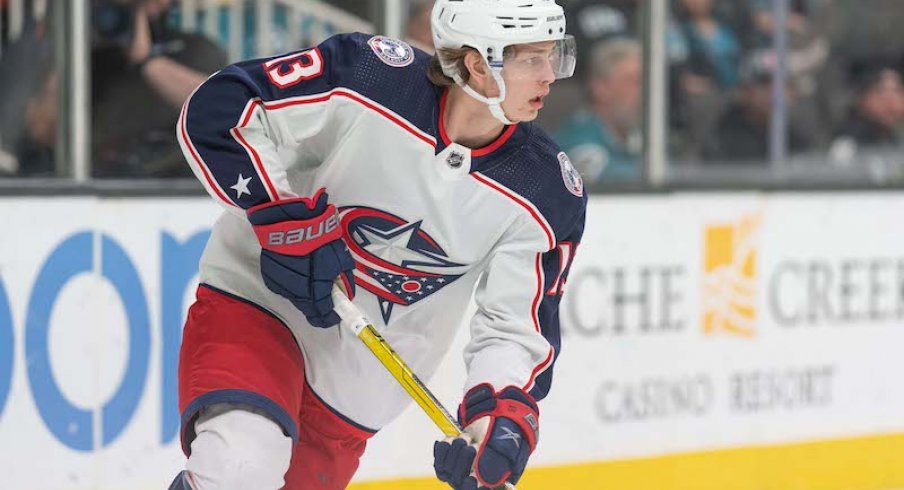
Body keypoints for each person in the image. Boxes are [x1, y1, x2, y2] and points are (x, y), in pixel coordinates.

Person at [169, 0, 586, 489]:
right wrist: (278, 213)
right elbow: (224, 108)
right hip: (259, 310)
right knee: (239, 466)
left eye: (554, 55)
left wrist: (497, 419)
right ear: (478, 63)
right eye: (532, 59)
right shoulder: (368, 75)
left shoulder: (547, 190)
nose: (550, 75)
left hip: (355, 392)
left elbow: (516, 327)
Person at [91, 0, 226, 177]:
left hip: (173, 185)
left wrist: (147, 61)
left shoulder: (196, 50)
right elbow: (44, 129)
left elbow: (218, 106)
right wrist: (70, 51)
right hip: (102, 181)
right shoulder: (90, 61)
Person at [555, 38, 642, 182]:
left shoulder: (640, 136)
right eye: (631, 80)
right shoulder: (578, 142)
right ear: (600, 87)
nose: (643, 91)